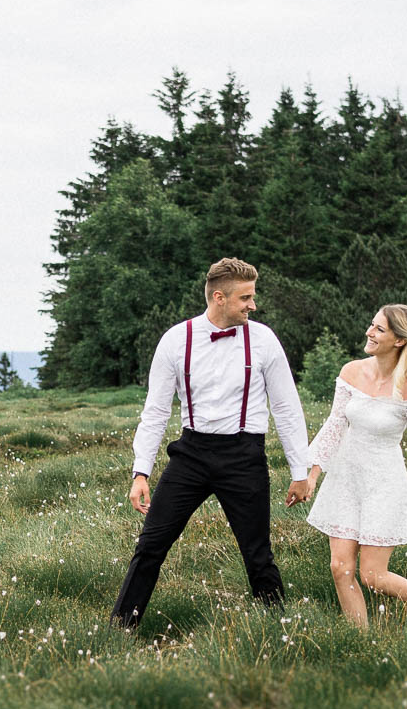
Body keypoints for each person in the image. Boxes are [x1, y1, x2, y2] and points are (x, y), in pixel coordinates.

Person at [111, 258, 315, 630]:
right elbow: (155, 410)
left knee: (257, 554)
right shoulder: (176, 340)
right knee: (150, 545)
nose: (252, 305)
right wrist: (141, 472)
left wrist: (299, 471)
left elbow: (286, 407)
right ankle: (121, 628)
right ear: (219, 297)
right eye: (246, 298)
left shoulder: (264, 339)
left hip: (244, 456)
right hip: (190, 455)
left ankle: (277, 629)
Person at [303, 304, 407, 632]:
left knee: (373, 576)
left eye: (379, 329)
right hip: (346, 478)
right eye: (371, 325)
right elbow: (335, 426)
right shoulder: (351, 372)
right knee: (340, 568)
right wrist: (313, 474)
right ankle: (359, 640)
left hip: (384, 483)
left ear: (399, 341)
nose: (369, 333)